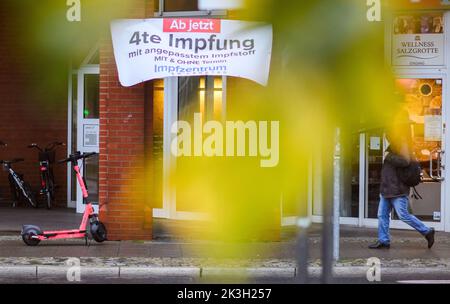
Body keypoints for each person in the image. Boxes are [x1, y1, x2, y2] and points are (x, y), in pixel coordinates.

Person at [369, 114, 435, 249]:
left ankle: (427, 231)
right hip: (387, 188)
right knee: (382, 215)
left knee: (403, 215)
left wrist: (389, 156)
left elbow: (405, 161)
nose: (386, 134)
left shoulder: (402, 142)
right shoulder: (394, 143)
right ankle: (383, 240)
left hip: (397, 189)